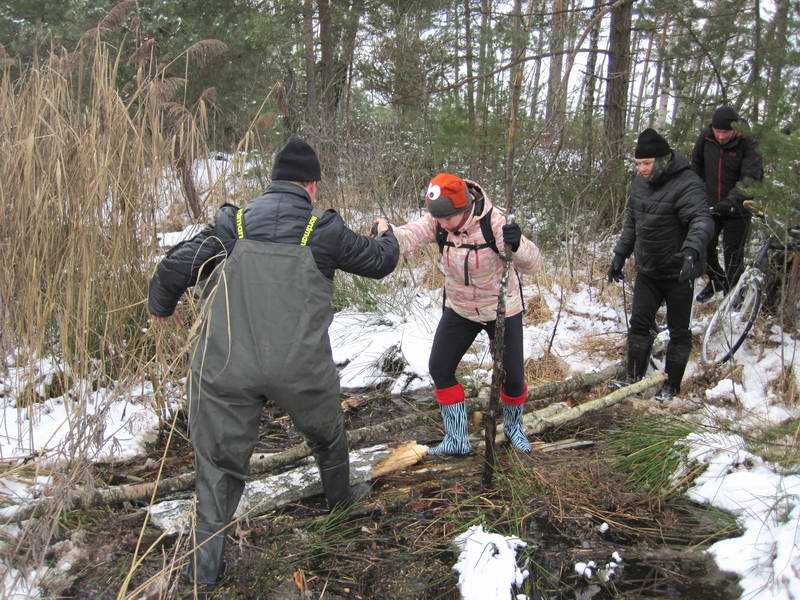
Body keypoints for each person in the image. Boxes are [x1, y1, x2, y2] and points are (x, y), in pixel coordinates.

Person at [148, 138, 399, 587]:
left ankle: (205, 573)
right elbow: (380, 263)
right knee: (327, 436)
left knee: (218, 466)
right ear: (312, 186)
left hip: (226, 367)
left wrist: (160, 310)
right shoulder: (323, 230)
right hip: (300, 370)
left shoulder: (232, 224)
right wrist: (387, 233)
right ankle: (340, 507)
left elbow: (172, 269)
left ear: (273, 181)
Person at [376, 173, 543, 455]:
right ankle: (457, 439)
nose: (441, 225)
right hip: (460, 307)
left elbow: (535, 263)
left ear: (464, 208)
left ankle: (514, 428)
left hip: (501, 308)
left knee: (513, 377)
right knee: (440, 367)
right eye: (437, 219)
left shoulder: (495, 223)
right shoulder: (438, 220)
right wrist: (386, 232)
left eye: (447, 219)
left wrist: (518, 245)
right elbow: (410, 235)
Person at [608, 129, 713, 401]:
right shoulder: (640, 183)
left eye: (647, 163)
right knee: (639, 326)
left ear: (662, 160)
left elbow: (701, 220)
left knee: (678, 331)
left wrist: (691, 251)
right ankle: (633, 380)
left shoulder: (688, 183)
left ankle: (671, 387)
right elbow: (632, 222)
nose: (641, 169)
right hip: (649, 270)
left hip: (679, 271)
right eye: (638, 163)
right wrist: (620, 254)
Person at [691, 105, 764, 302]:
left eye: (725, 132)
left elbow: (750, 179)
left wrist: (730, 202)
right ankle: (716, 280)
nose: (721, 136)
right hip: (710, 204)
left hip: (738, 208)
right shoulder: (706, 137)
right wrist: (697, 192)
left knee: (733, 255)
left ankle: (733, 299)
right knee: (704, 246)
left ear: (735, 130)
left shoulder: (748, 143)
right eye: (718, 131)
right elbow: (696, 164)